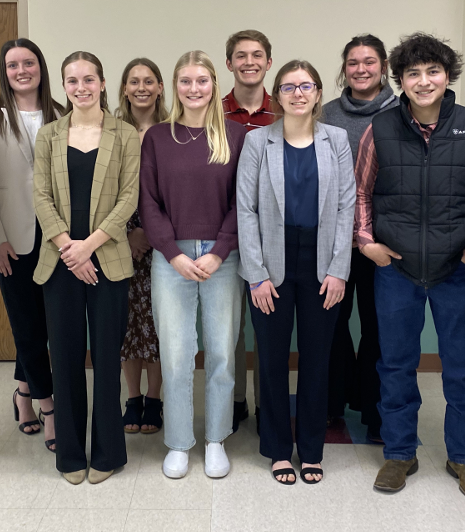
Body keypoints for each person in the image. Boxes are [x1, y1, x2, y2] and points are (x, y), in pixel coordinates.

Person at [354, 32, 465, 499]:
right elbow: (360, 191)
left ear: (448, 75)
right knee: (395, 365)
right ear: (401, 80)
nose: (423, 80)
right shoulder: (381, 127)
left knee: (462, 368)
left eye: (433, 71)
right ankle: (399, 453)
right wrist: (367, 241)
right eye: (413, 73)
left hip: (456, 269)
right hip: (396, 270)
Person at [237, 60, 355, 485]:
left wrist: (339, 270)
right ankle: (276, 450)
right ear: (277, 94)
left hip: (322, 262)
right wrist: (255, 273)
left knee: (317, 359)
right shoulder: (257, 142)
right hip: (272, 260)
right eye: (289, 86)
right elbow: (245, 210)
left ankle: (310, 450)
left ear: (319, 93)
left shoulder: (336, 139)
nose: (298, 93)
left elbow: (347, 207)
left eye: (306, 86)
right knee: (270, 359)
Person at [139, 50, 246, 479]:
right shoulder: (157, 138)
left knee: (221, 351)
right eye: (185, 81)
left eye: (202, 80)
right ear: (174, 86)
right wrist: (174, 252)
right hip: (172, 258)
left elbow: (245, 202)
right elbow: (148, 202)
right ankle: (179, 443)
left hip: (224, 255)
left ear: (214, 84)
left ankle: (216, 439)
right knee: (178, 353)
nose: (194, 88)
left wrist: (219, 250)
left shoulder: (237, 136)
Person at [33, 51, 139, 485]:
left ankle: (109, 453)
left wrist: (90, 246)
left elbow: (129, 196)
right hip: (59, 265)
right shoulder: (49, 135)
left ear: (102, 82)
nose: (81, 87)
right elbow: (40, 196)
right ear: (63, 86)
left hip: (108, 261)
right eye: (72, 80)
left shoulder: (126, 133)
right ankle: (71, 456)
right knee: (66, 359)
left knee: (108, 362)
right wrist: (68, 248)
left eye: (89, 79)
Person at [0, 38, 63, 453]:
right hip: (14, 239)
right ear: (4, 71)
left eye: (29, 62)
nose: (22, 70)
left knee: (46, 324)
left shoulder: (61, 113)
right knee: (26, 324)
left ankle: (22, 393)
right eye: (13, 65)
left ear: (41, 68)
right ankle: (48, 409)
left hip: (57, 237)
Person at [321, 33, 399, 438]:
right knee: (331, 326)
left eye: (369, 61)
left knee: (377, 329)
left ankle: (374, 410)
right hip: (333, 240)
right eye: (353, 62)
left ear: (383, 66)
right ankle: (333, 403)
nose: (361, 69)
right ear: (344, 68)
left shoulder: (401, 113)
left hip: (382, 245)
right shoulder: (326, 114)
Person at [222, 29, 275, 433]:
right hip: (225, 232)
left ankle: (266, 405)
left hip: (271, 235)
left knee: (266, 323)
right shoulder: (212, 111)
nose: (249, 62)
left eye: (257, 55)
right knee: (230, 325)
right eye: (241, 56)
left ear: (269, 62)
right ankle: (235, 399)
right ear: (229, 64)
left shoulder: (288, 109)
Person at [114, 58, 168, 435]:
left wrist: (150, 232)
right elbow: (105, 190)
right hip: (116, 240)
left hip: (162, 241)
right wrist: (127, 232)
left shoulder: (173, 131)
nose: (142, 88)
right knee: (127, 324)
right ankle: (131, 398)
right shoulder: (111, 131)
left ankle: (154, 399)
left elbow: (176, 190)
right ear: (124, 88)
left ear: (161, 87)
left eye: (149, 81)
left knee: (159, 324)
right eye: (134, 82)